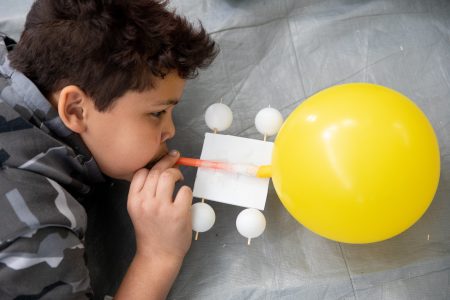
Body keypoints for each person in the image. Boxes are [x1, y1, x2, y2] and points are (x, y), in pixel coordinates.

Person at [0, 0, 217, 299]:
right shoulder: (35, 232)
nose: (171, 131)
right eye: (156, 114)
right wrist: (157, 256)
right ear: (75, 109)